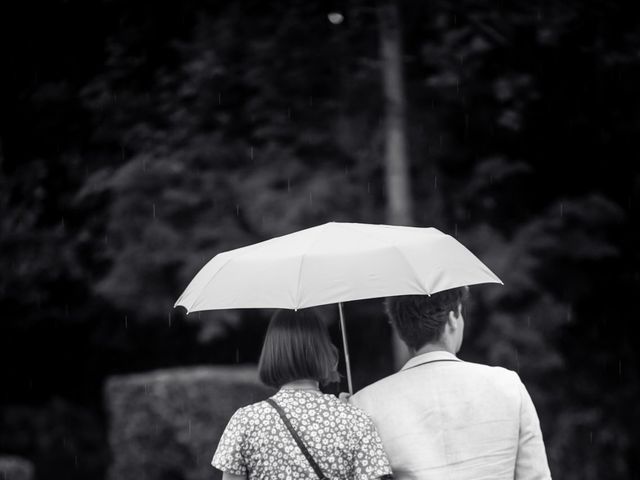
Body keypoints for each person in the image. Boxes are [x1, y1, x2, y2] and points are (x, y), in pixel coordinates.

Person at [350, 287, 552, 479]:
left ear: (400, 329)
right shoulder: (507, 385)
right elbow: (536, 475)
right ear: (453, 318)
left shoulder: (365, 403)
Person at [212, 309, 393, 480]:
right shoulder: (355, 419)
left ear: (272, 354)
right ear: (324, 352)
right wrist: (349, 414)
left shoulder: (245, 421)